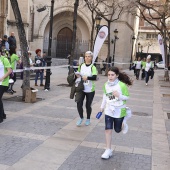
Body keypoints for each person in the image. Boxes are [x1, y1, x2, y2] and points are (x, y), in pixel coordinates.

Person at [100, 67, 132, 159]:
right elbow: (105, 96)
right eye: (109, 75)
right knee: (107, 129)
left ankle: (124, 122)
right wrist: (102, 107)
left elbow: (127, 97)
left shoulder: (122, 85)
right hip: (109, 109)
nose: (110, 77)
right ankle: (108, 150)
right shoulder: (106, 85)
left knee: (117, 130)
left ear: (117, 75)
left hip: (119, 110)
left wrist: (119, 96)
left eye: (112, 75)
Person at [76, 51, 98, 126]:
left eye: (88, 56)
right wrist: (77, 75)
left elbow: (95, 77)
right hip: (81, 88)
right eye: (86, 56)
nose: (87, 58)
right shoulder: (81, 65)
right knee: (79, 103)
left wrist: (87, 77)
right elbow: (78, 73)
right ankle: (81, 117)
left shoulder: (93, 67)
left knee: (88, 105)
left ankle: (88, 118)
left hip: (90, 89)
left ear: (91, 58)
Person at [0, 49, 12, 123]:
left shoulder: (4, 59)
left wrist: (2, 78)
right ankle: (3, 114)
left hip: (3, 83)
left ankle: (0, 117)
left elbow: (9, 70)